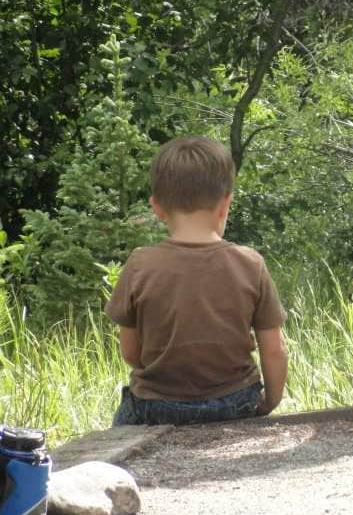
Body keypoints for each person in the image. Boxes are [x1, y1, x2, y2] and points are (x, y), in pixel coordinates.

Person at [108, 136, 288, 426]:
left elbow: (130, 352)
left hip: (155, 408)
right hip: (235, 402)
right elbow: (274, 349)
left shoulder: (140, 263)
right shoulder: (250, 263)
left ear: (157, 207)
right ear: (225, 204)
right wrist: (271, 400)